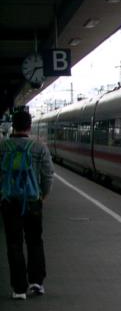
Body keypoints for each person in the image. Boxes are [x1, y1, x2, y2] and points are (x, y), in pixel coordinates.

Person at [0, 109, 54, 299]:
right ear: (30, 126)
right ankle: (36, 283)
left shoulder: (3, 146)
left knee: (14, 244)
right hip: (33, 201)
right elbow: (48, 175)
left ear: (13, 125)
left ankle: (18, 289)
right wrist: (43, 195)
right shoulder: (39, 148)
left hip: (9, 201)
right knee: (34, 241)